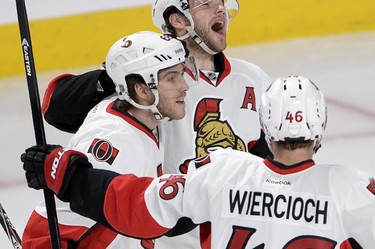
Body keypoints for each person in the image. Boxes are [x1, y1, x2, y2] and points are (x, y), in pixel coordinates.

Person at [41, 0, 272, 247]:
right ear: (178, 20)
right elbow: (57, 110)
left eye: (221, 2)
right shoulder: (153, 77)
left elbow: (268, 158)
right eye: (206, 2)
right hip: (167, 234)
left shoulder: (254, 78)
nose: (220, 8)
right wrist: (116, 75)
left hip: (232, 234)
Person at [22, 75, 375, 248]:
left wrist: (65, 172)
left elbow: (135, 205)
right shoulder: (356, 191)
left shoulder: (223, 171)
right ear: (322, 125)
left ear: (264, 125)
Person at [21, 31, 198, 248]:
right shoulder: (116, 139)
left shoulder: (139, 117)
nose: (184, 86)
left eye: (181, 74)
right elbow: (52, 227)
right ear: (141, 89)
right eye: (172, 78)